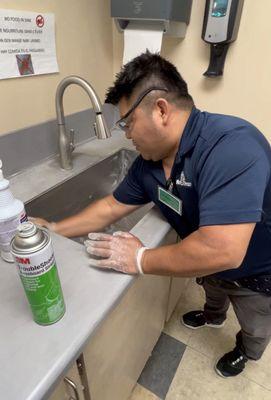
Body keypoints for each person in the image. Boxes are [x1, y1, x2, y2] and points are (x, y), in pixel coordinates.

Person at [34, 52, 271, 378]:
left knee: (255, 322)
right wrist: (55, 227)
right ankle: (213, 315)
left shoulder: (232, 145)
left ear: (161, 110)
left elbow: (223, 249)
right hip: (208, 264)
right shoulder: (148, 164)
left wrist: (141, 258)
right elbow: (110, 207)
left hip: (255, 273)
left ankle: (246, 350)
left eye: (128, 123)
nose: (126, 135)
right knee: (213, 290)